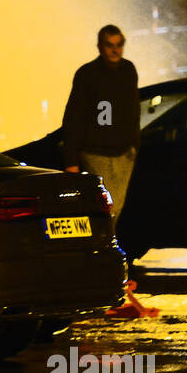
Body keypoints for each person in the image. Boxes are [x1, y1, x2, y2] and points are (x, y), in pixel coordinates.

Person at [61, 24, 139, 227]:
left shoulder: (128, 71)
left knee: (114, 208)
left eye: (119, 44)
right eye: (110, 45)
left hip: (122, 153)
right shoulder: (87, 75)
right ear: (100, 47)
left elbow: (132, 109)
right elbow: (74, 117)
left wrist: (133, 145)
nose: (115, 50)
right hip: (96, 152)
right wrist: (71, 159)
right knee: (108, 209)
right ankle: (103, 249)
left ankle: (104, 248)